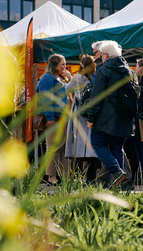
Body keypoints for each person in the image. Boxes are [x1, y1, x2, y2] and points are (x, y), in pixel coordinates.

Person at [86, 41, 137, 188]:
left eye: (101, 55)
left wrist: (91, 117)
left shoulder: (104, 70)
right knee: (116, 147)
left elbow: (97, 97)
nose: (100, 58)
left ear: (106, 55)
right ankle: (117, 184)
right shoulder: (128, 70)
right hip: (124, 117)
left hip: (105, 117)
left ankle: (116, 172)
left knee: (97, 143)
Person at [36, 54, 71, 186]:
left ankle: (63, 175)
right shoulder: (47, 78)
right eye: (62, 64)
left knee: (63, 148)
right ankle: (51, 176)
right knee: (53, 148)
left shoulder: (60, 78)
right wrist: (50, 117)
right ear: (55, 65)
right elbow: (46, 98)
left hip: (63, 118)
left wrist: (69, 79)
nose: (65, 66)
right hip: (54, 119)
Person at [65, 55, 99, 178]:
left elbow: (67, 90)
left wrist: (69, 78)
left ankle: (76, 177)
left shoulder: (77, 77)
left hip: (79, 113)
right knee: (91, 147)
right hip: (92, 114)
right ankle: (91, 178)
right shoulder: (96, 77)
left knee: (77, 147)